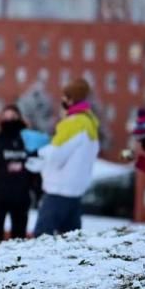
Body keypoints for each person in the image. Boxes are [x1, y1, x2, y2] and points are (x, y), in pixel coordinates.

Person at [32, 79, 100, 237]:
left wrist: (38, 154)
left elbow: (56, 155)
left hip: (58, 190)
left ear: (70, 99)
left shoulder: (72, 124)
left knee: (42, 237)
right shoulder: (90, 123)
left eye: (64, 97)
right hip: (76, 191)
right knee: (72, 240)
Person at [0, 105, 40, 240]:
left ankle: (17, 261)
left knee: (19, 238)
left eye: (13, 116)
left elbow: (37, 170)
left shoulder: (28, 140)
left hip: (21, 198)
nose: (9, 119)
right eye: (6, 116)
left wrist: (39, 193)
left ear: (19, 118)